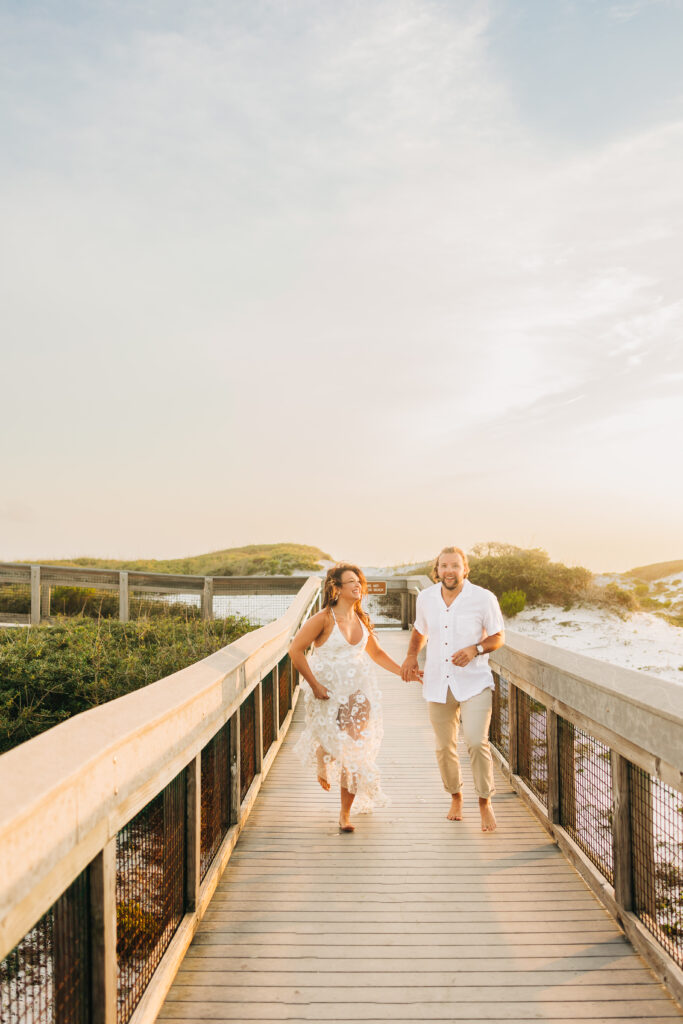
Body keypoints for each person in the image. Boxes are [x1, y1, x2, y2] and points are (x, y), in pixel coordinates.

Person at [290, 563, 402, 832]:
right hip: (328, 693)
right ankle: (323, 750)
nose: (358, 586)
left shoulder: (362, 620)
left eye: (360, 582)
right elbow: (295, 650)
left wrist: (404, 672)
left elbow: (376, 654)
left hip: (358, 695)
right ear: (336, 588)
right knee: (336, 744)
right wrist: (314, 685)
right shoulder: (324, 619)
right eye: (351, 581)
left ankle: (344, 815)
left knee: (354, 752)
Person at [401, 546, 504, 832]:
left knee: (475, 741)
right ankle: (456, 797)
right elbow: (420, 631)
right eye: (444, 566)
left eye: (455, 566)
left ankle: (485, 802)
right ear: (437, 570)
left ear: (464, 569)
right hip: (437, 681)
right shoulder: (426, 597)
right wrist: (411, 656)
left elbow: (498, 636)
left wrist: (476, 648)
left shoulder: (483, 598)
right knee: (444, 747)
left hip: (475, 681)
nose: (449, 571)